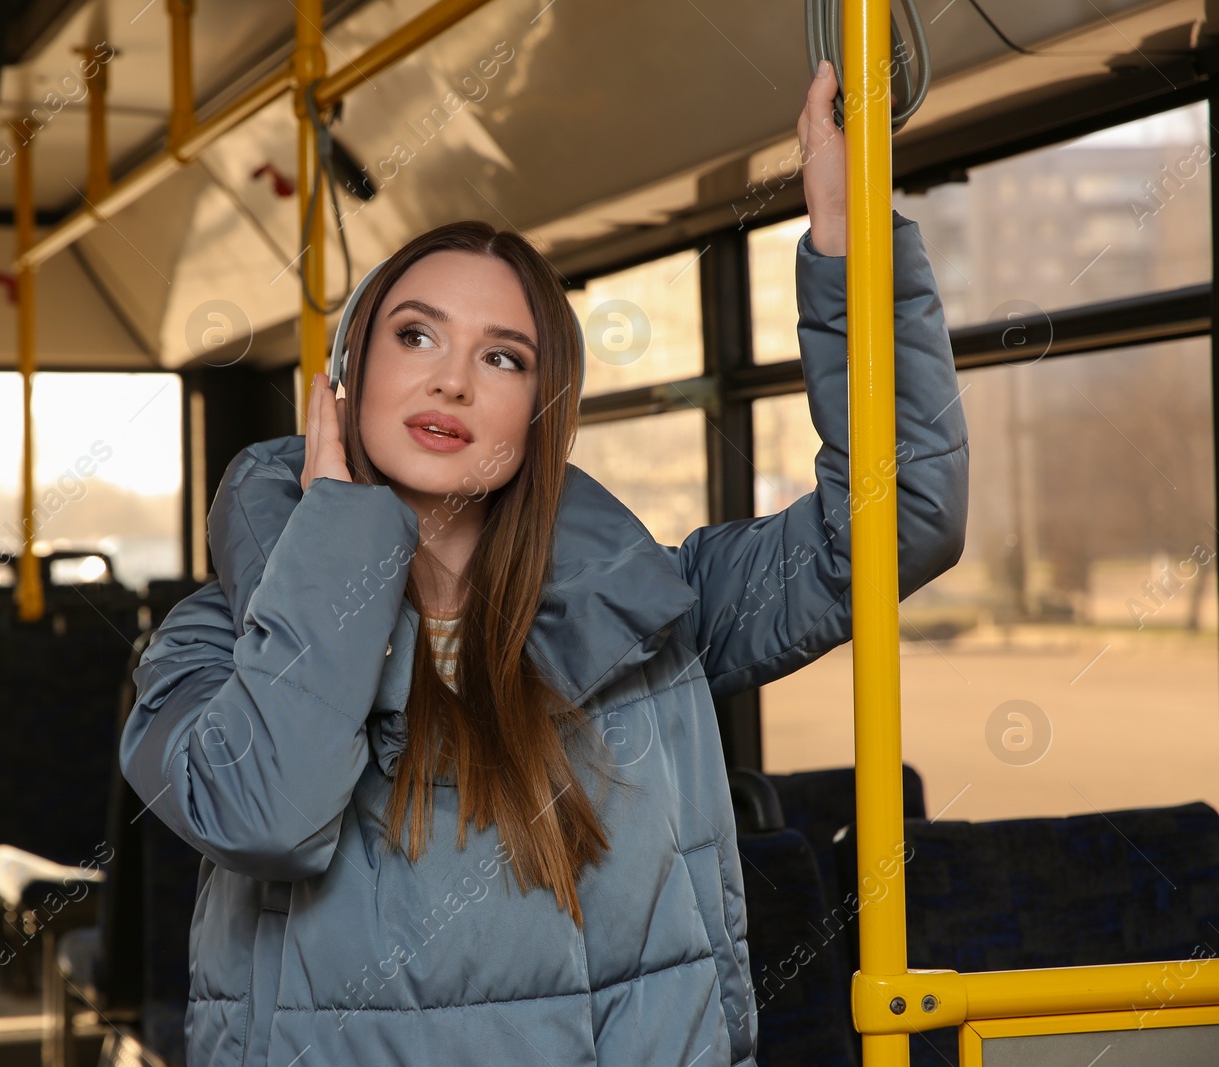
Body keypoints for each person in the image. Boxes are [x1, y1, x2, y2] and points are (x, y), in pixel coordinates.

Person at [120, 61, 968, 1067]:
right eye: (416, 334)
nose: (451, 376)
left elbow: (896, 516)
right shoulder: (213, 640)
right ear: (344, 378)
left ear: (540, 411)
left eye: (503, 356)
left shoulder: (646, 613)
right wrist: (339, 523)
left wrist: (846, 237)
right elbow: (265, 813)